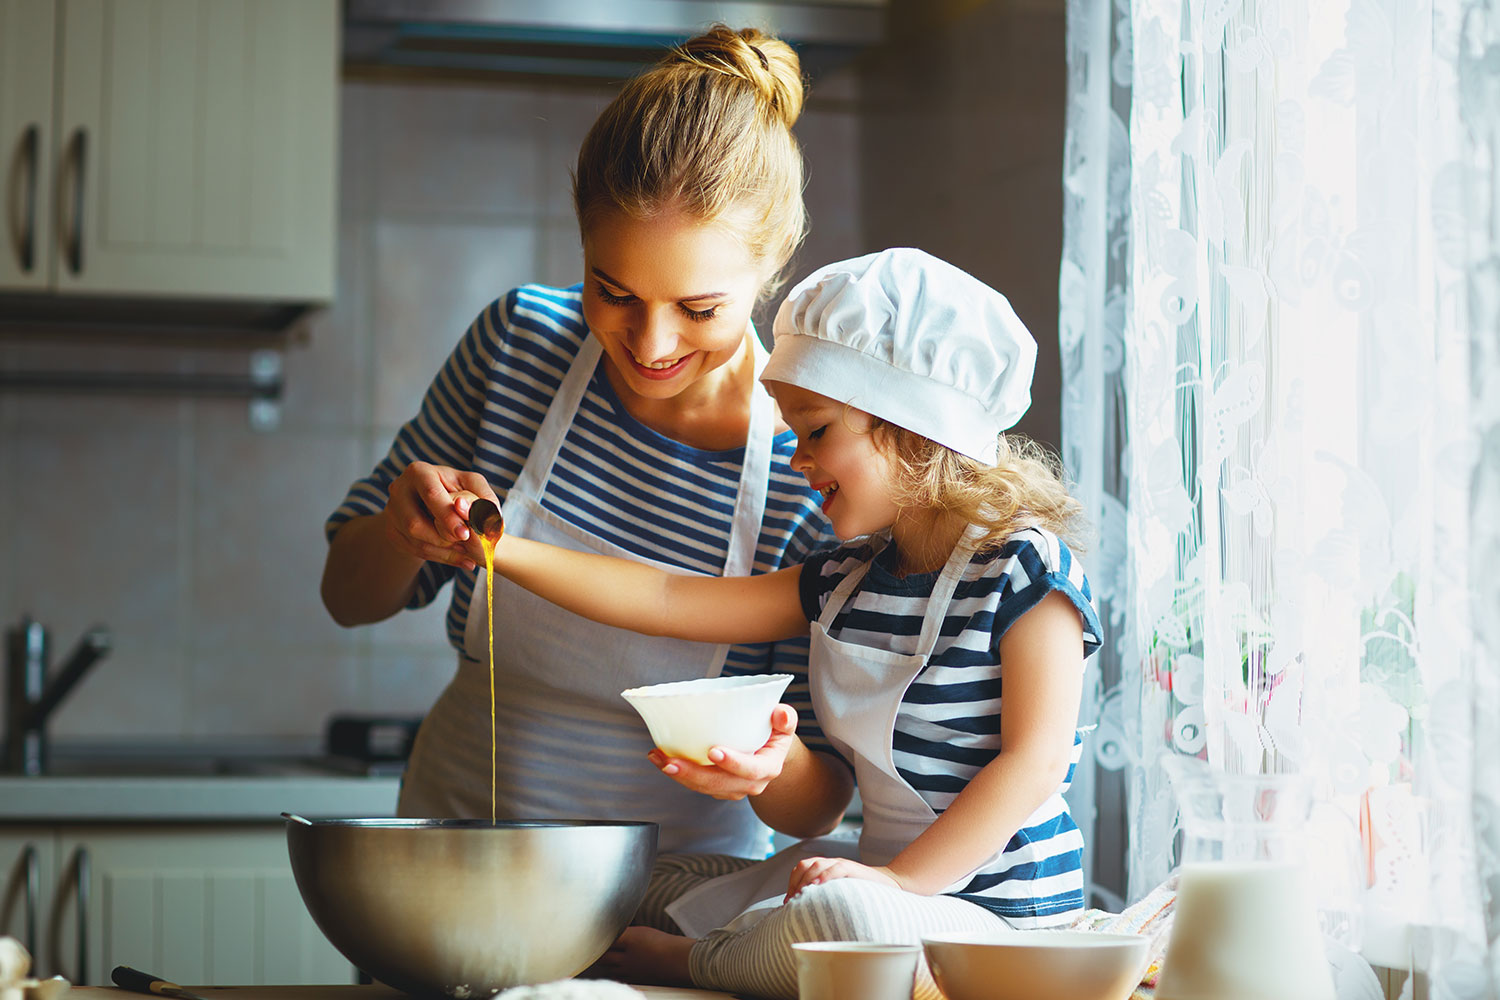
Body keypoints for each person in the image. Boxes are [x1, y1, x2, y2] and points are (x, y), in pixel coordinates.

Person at [472, 247, 1105, 1000]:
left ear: (911, 425)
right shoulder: (844, 579)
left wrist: (898, 883)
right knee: (654, 877)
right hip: (876, 879)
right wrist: (495, 547)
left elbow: (1031, 766)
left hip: (1000, 921)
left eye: (816, 431)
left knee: (841, 915)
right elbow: (672, 599)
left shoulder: (1024, 570)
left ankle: (691, 962)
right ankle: (726, 940)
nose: (798, 459)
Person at [319, 23, 848, 916]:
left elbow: (819, 798)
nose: (651, 342)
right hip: (452, 875)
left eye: (699, 307)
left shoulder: (809, 458)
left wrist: (766, 765)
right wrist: (404, 533)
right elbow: (348, 595)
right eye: (615, 291)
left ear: (768, 271)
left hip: (672, 909)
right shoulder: (517, 346)